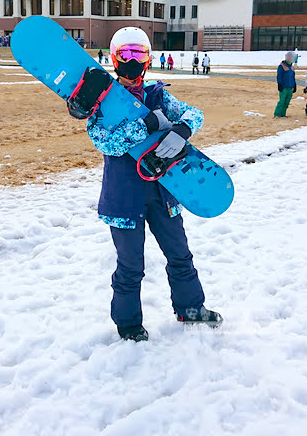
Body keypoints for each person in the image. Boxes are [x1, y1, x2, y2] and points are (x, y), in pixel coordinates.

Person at [86, 27, 222, 342]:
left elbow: (194, 113)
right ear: (114, 58)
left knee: (180, 254)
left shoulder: (158, 94)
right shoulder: (103, 102)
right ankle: (128, 324)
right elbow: (106, 142)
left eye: (139, 54)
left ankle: (191, 309)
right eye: (126, 55)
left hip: (164, 191)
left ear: (147, 59)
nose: (132, 62)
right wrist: (146, 124)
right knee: (131, 265)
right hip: (124, 198)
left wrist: (182, 130)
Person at [274, 51, 297, 118]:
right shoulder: (282, 66)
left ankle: (283, 114)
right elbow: (279, 75)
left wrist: (294, 85)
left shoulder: (292, 67)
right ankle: (277, 114)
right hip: (284, 87)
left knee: (287, 101)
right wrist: (279, 83)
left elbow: (293, 76)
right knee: (282, 101)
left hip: (290, 87)